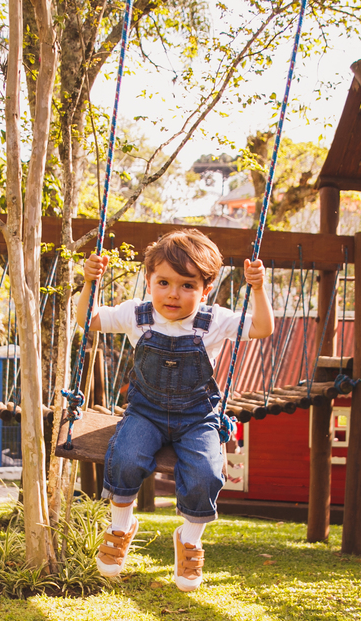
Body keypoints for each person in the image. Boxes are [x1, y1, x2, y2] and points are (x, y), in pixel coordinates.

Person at [75, 229, 273, 591]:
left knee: (207, 471)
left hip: (198, 417)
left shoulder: (213, 321)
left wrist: (257, 289)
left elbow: (261, 327)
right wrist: (91, 282)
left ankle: (190, 539)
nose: (173, 294)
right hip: (146, 411)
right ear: (148, 281)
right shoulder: (137, 314)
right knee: (126, 455)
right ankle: (121, 525)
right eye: (164, 282)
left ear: (205, 290)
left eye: (187, 286)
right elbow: (89, 319)